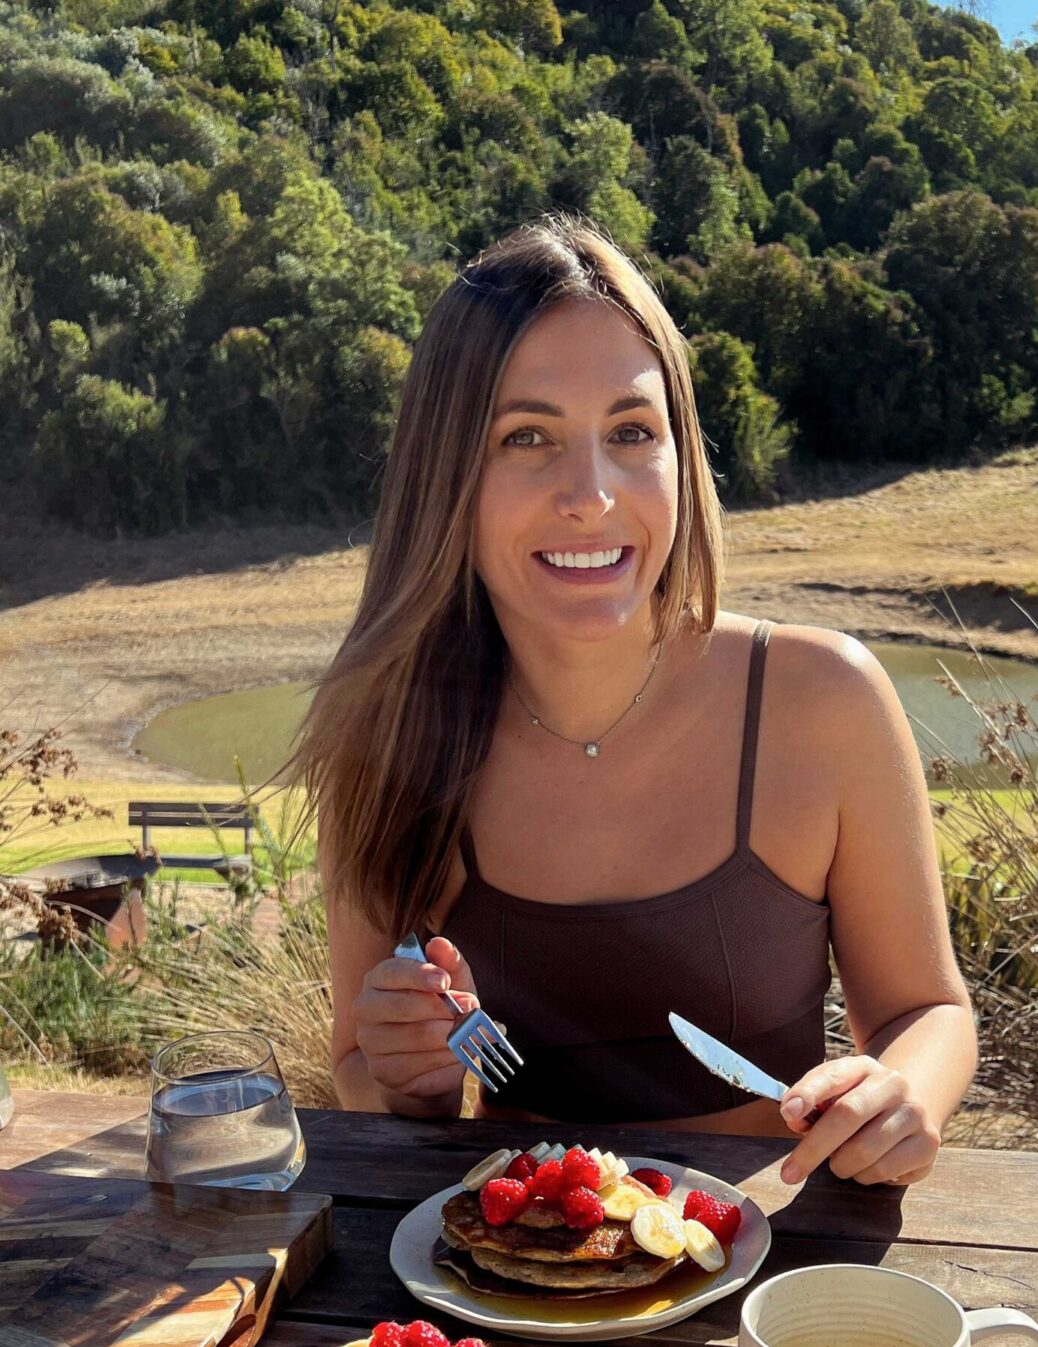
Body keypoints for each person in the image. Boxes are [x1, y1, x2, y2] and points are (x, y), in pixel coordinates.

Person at [296, 214, 976, 1189]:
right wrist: (404, 1079)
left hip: (770, 1259)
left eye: (629, 432)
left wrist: (903, 1093)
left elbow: (927, 1011)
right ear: (443, 474)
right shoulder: (385, 733)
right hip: (513, 1275)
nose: (592, 494)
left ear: (679, 454)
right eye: (525, 436)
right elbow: (372, 1079)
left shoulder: (822, 699)